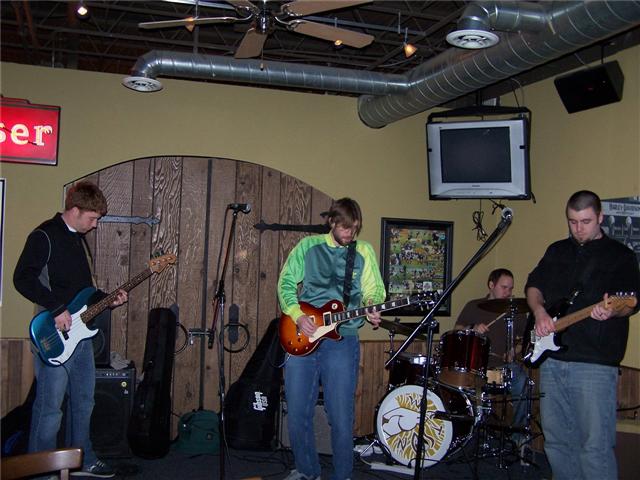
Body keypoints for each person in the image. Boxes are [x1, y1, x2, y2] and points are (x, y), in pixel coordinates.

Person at [14, 181, 128, 478]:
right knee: (50, 408)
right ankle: (41, 471)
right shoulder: (44, 236)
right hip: (53, 334)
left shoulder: (79, 240)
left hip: (80, 336)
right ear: (75, 210)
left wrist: (108, 299)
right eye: (92, 218)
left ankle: (82, 460)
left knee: (84, 402)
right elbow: (22, 278)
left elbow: (82, 292)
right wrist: (55, 307)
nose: (95, 225)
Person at [525, 190, 640, 480]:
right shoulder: (557, 251)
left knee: (594, 448)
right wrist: (539, 312)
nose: (578, 228)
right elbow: (534, 285)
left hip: (595, 363)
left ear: (600, 217)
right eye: (573, 222)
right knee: (556, 442)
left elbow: (630, 303)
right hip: (552, 361)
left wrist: (613, 312)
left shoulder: (621, 256)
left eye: (586, 222)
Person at [277, 198, 386, 480]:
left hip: (343, 338)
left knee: (340, 415)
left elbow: (374, 290)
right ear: (332, 222)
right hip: (303, 334)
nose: (350, 233)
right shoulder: (308, 246)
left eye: (354, 228)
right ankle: (306, 471)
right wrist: (296, 314)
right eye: (345, 228)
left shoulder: (363, 251)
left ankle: (343, 475)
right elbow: (286, 282)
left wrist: (372, 306)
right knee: (297, 411)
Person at [454, 268, 529, 440]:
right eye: (504, 287)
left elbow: (525, 340)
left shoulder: (515, 311)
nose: (508, 292)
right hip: (474, 367)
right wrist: (472, 328)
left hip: (502, 367)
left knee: (523, 382)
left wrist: (514, 350)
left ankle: (518, 438)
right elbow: (457, 330)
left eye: (510, 288)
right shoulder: (474, 305)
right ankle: (465, 434)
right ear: (491, 285)